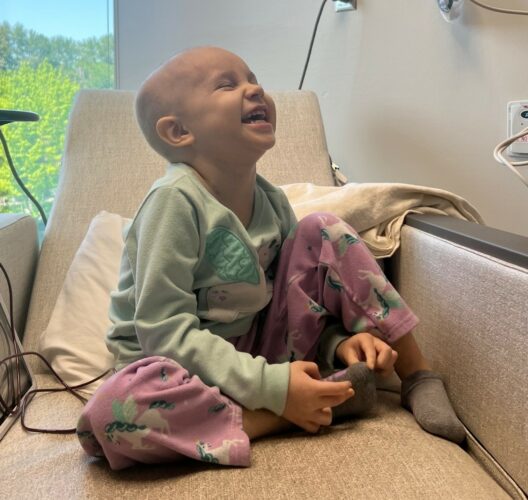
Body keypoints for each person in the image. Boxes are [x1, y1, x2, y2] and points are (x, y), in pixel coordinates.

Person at [76, 46, 465, 470]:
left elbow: (291, 300)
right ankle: (287, 412)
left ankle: (418, 374)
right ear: (177, 132)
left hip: (256, 348)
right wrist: (274, 389)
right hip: (171, 365)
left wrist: (338, 343)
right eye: (228, 84)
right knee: (104, 420)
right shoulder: (173, 202)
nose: (255, 88)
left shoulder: (271, 201)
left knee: (322, 228)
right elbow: (163, 333)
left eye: (252, 78)